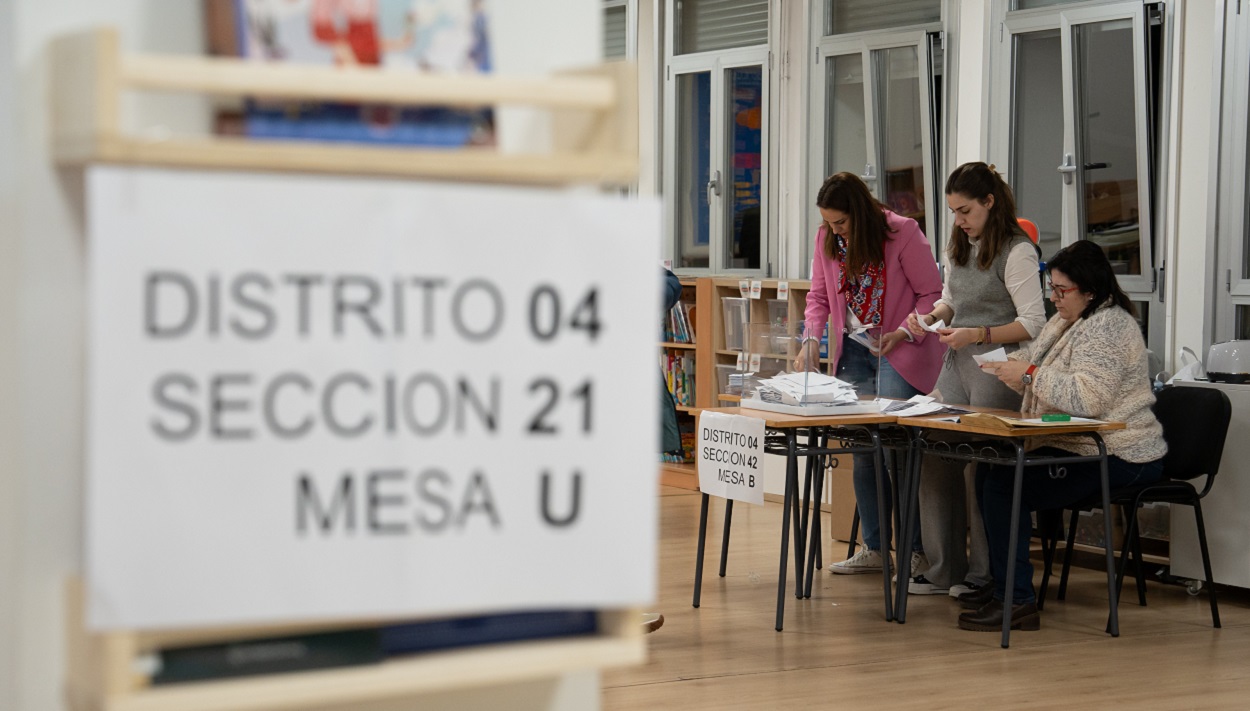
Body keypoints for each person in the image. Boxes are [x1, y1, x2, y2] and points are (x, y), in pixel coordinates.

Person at [960, 239, 1166, 631]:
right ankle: (1004, 586)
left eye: (1061, 290)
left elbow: (1088, 398)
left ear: (1089, 290)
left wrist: (1029, 375)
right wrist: (1016, 368)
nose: (1053, 298)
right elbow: (1042, 372)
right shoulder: (1067, 320)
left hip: (1121, 452)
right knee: (991, 471)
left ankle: (1016, 601)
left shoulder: (1107, 326)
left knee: (1006, 484)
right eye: (1050, 288)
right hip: (1080, 442)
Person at [903, 163, 1046, 600]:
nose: (959, 220)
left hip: (997, 366)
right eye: (953, 211)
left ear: (989, 202)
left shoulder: (1017, 251)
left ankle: (985, 576)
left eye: (965, 210)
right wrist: (930, 318)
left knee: (984, 466)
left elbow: (1034, 323)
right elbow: (952, 299)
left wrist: (978, 334)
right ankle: (945, 568)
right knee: (933, 454)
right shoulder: (960, 244)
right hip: (958, 363)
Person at [797, 172, 944, 575]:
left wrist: (904, 331)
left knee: (897, 452)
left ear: (860, 212)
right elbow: (818, 297)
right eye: (828, 222)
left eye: (840, 222)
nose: (834, 230)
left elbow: (932, 293)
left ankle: (914, 550)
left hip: (900, 349)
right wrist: (810, 339)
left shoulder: (902, 232)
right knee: (863, 453)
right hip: (855, 353)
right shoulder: (827, 239)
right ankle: (876, 548)